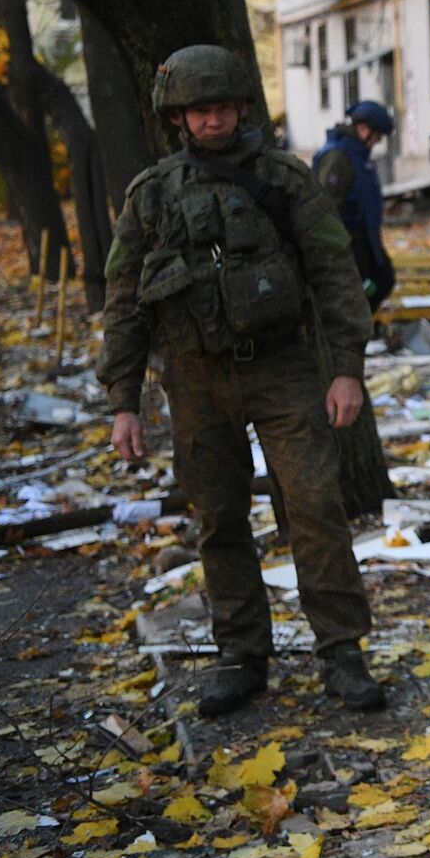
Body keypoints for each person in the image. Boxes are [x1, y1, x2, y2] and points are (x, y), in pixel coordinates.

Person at [98, 44, 387, 717]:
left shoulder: (284, 179)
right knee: (219, 517)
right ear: (178, 116)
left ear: (240, 108)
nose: (215, 119)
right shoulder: (153, 195)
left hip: (283, 368)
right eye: (201, 109)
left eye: (224, 106)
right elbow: (124, 301)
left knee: (315, 506)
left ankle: (342, 651)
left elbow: (335, 275)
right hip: (195, 378)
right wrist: (124, 402)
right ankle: (241, 654)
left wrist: (347, 371)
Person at [312, 100, 396, 312]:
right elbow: (326, 206)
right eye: (377, 136)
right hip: (348, 242)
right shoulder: (337, 157)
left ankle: (361, 324)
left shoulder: (360, 157)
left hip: (365, 239)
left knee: (382, 280)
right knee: (360, 291)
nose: (377, 141)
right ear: (362, 128)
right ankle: (352, 331)